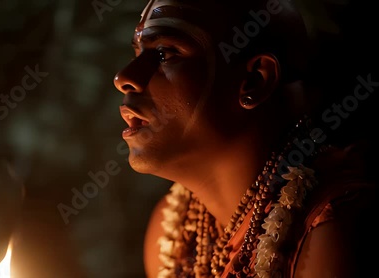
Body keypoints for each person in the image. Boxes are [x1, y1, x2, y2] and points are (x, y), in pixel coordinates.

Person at [112, 0, 379, 277]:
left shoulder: (332, 227)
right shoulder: (172, 234)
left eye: (165, 54)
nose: (124, 77)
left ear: (255, 80)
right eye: (137, 52)